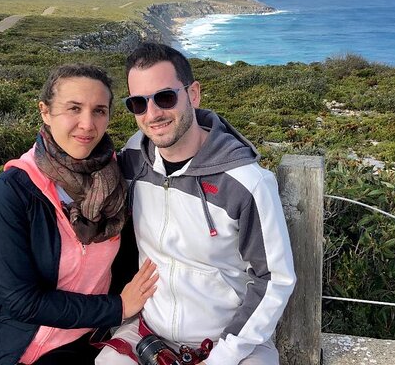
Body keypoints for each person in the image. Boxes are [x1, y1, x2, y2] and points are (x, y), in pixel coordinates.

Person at [96, 43, 296, 365]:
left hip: (231, 342)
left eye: (165, 97)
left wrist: (223, 356)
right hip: (149, 330)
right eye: (138, 103)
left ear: (193, 94)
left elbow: (274, 278)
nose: (153, 114)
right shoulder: (133, 159)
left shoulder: (247, 183)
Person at [0, 64, 158, 365]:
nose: (87, 124)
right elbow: (20, 300)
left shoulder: (119, 180)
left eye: (99, 110)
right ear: (45, 111)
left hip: (73, 346)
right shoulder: (14, 190)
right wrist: (117, 308)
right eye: (74, 108)